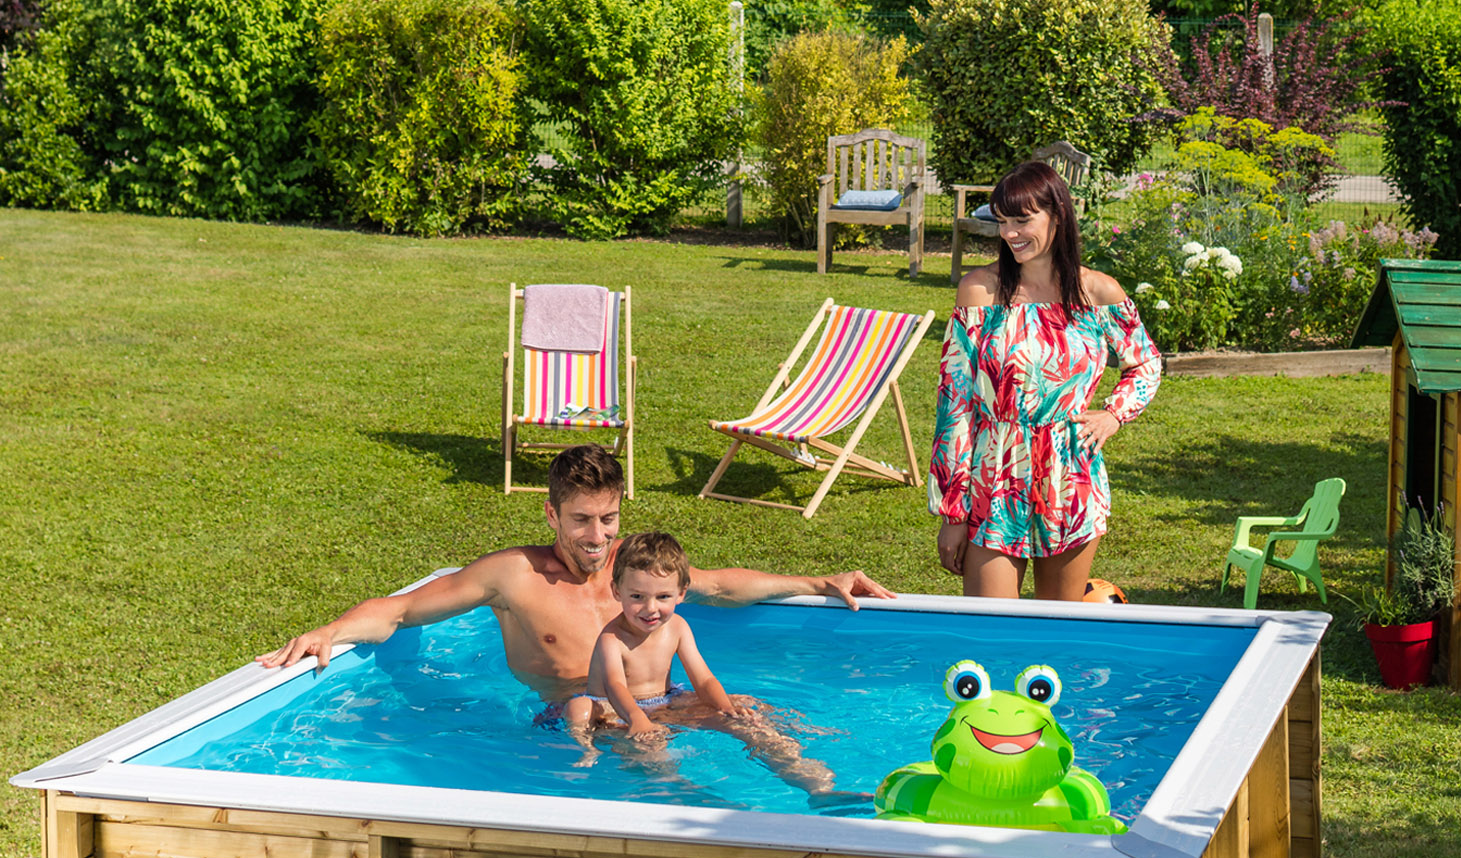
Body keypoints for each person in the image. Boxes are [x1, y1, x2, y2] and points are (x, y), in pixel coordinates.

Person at [257, 444, 894, 708]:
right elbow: (398, 611)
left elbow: (718, 585)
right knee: (658, 771)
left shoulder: (632, 568)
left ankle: (827, 805)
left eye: (609, 519)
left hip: (662, 706)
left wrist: (818, 582)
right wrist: (334, 630)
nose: (598, 538)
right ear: (552, 513)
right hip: (578, 721)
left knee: (760, 719)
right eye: (582, 521)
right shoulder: (512, 576)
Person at [931, 160, 1162, 601]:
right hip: (993, 475)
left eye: (1022, 219)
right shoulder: (980, 292)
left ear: (1057, 214)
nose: (1009, 233)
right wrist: (952, 511)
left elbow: (1146, 363)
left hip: (1070, 472)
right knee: (991, 633)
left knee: (1058, 626)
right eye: (1002, 221)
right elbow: (954, 405)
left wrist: (1114, 414)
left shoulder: (1098, 294)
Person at [559, 530, 835, 792]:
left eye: (663, 596)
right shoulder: (612, 639)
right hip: (615, 712)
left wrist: (725, 707)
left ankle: (810, 779)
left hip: (666, 701)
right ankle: (598, 754)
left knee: (746, 712)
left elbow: (703, 679)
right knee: (580, 708)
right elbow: (616, 687)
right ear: (617, 591)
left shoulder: (677, 627)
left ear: (681, 593)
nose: (650, 608)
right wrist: (637, 720)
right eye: (637, 597)